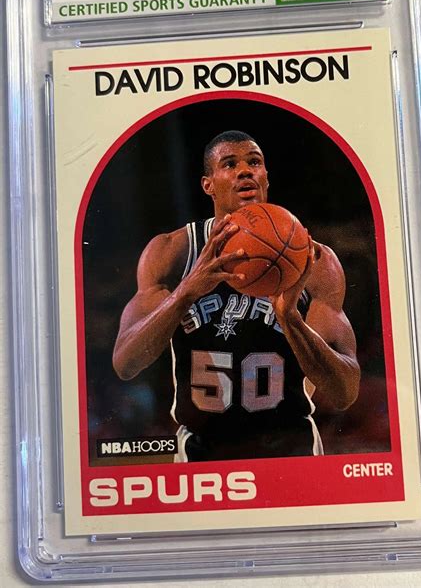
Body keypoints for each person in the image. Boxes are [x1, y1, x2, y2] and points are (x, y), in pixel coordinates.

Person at [113, 130, 360, 461]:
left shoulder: (314, 260)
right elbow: (126, 364)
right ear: (208, 185)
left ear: (266, 177)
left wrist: (291, 320)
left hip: (291, 448)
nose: (245, 171)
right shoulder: (173, 252)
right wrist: (185, 293)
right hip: (201, 450)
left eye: (254, 162)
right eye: (229, 164)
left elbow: (344, 392)